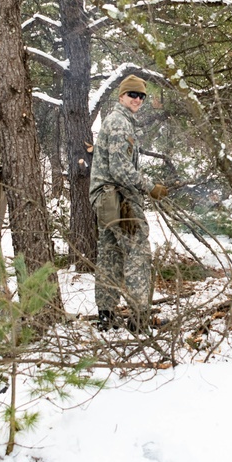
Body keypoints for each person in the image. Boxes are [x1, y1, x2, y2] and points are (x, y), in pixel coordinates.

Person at [88, 74, 168, 333]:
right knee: (137, 255)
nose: (137, 99)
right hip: (119, 199)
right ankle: (139, 319)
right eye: (132, 94)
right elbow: (120, 168)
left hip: (106, 199)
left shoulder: (118, 121)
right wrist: (149, 186)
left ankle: (106, 316)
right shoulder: (120, 124)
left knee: (109, 255)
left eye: (141, 96)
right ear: (121, 96)